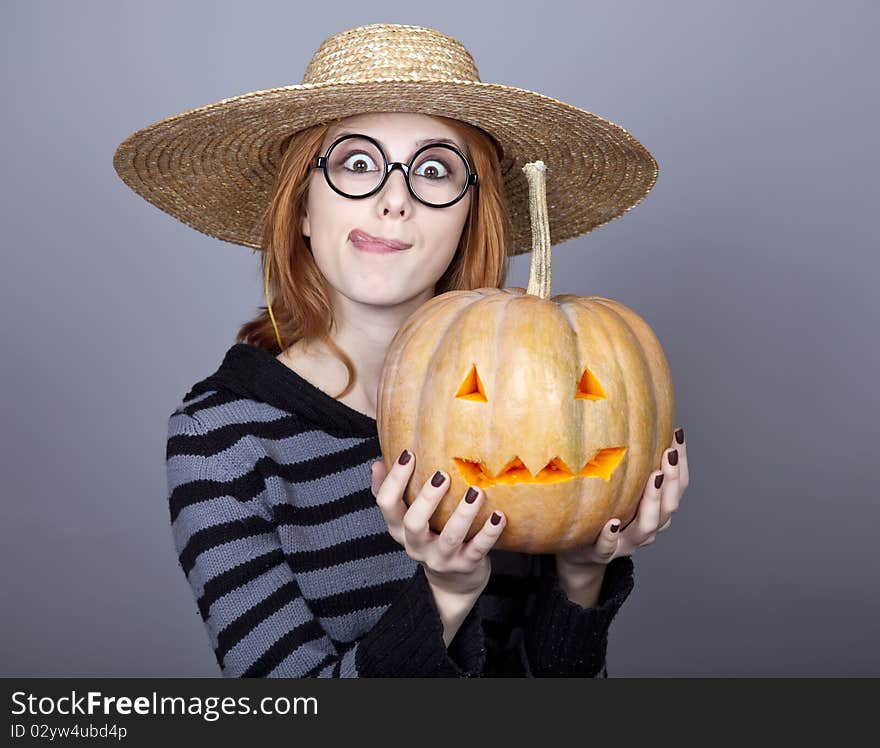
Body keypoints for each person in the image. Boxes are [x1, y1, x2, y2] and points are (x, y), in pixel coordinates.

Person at [115, 23, 689, 677]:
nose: (394, 201)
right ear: (303, 203)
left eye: (434, 170)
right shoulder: (218, 439)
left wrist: (582, 568)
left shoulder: (537, 408)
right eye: (357, 163)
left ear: (472, 212)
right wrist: (446, 592)